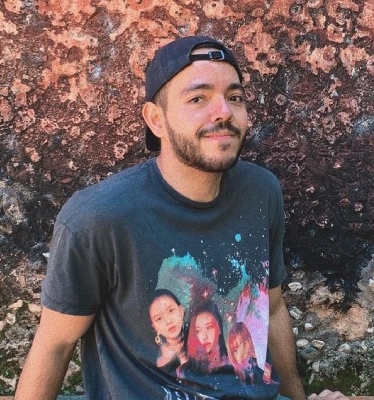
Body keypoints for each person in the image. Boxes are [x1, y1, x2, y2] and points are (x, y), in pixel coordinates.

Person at [14, 35, 348, 400]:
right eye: (198, 98)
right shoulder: (99, 217)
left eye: (235, 97)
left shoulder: (261, 191)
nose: (223, 111)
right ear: (156, 119)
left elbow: (273, 307)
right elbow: (54, 345)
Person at [148, 289, 187, 371]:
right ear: (154, 327)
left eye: (171, 311)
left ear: (181, 310)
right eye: (159, 318)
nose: (168, 321)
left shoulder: (200, 341)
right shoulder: (156, 362)